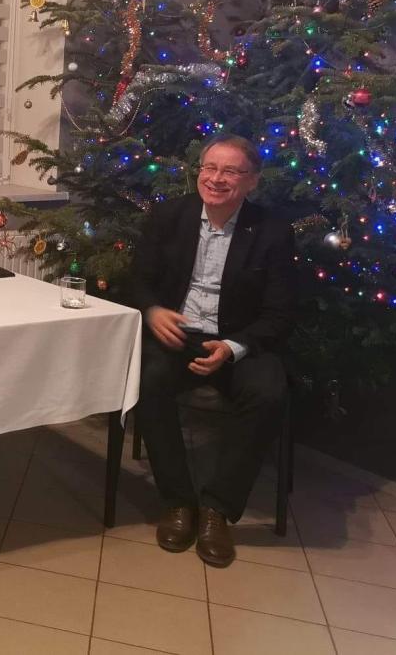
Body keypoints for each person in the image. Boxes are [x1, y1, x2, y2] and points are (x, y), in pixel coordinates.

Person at [130, 134, 296, 567]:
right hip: (178, 333)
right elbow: (139, 279)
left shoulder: (273, 231)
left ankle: (217, 510)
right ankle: (178, 502)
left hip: (239, 339)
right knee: (145, 382)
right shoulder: (170, 215)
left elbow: (280, 313)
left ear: (252, 180)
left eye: (230, 171)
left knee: (267, 393)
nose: (216, 179)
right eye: (209, 168)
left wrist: (233, 346)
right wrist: (152, 310)